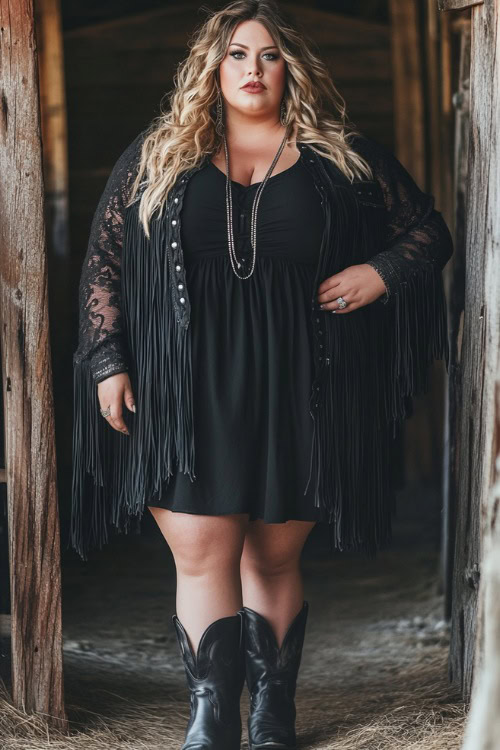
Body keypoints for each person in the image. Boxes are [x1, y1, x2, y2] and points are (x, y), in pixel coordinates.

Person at [69, 1, 454, 748]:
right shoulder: (158, 155)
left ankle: (273, 713)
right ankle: (212, 716)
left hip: (300, 384)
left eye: (269, 55)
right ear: (212, 69)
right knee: (202, 546)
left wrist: (379, 273)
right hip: (185, 386)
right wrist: (108, 361)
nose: (254, 69)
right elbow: (104, 262)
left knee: (272, 554)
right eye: (238, 54)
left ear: (291, 68)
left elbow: (428, 231)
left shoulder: (341, 159)